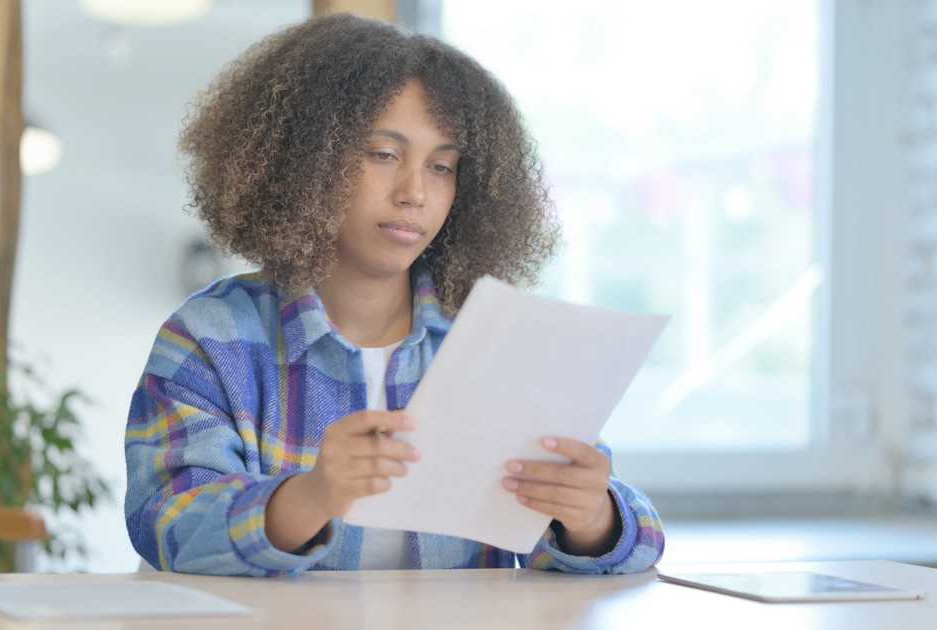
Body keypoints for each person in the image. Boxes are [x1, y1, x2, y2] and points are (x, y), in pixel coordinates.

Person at [124, 13, 663, 577]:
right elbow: (166, 523)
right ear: (303, 159)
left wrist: (592, 517)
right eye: (383, 154)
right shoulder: (212, 337)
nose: (414, 193)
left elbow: (634, 541)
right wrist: (310, 497)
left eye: (442, 167)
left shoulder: (502, 341)